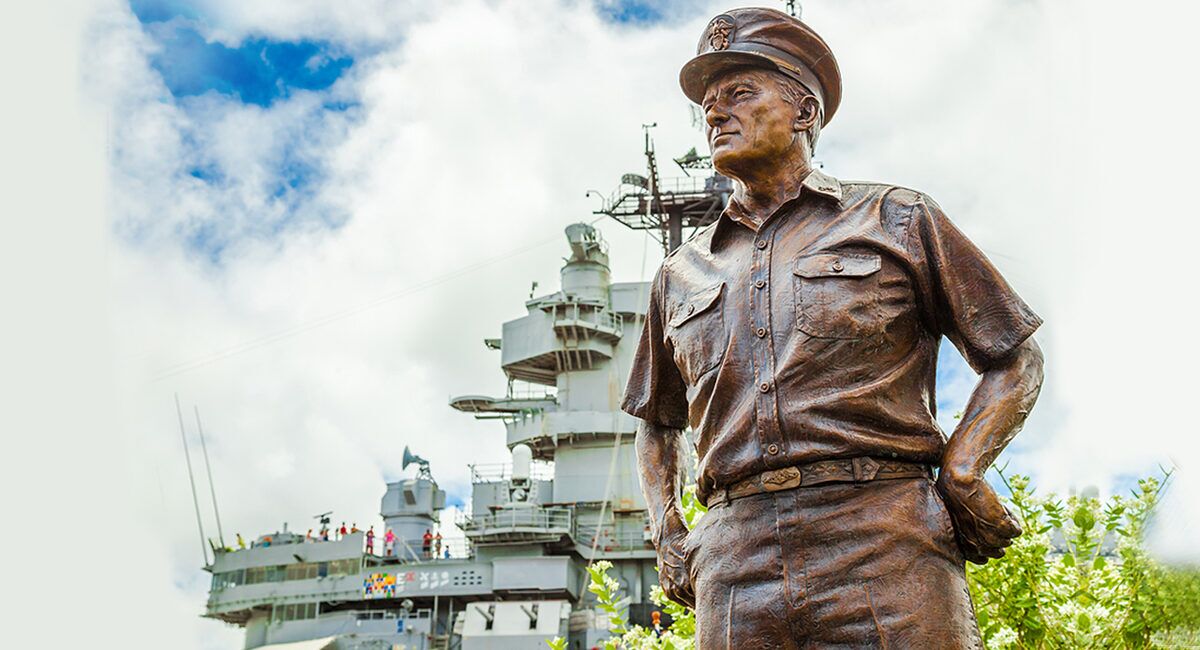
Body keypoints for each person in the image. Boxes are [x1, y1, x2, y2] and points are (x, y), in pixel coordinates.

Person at [625, 8, 1044, 647]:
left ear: (804, 112)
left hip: (886, 540)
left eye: (740, 93)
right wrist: (668, 532)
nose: (715, 113)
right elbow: (656, 422)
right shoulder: (678, 273)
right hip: (734, 565)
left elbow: (1014, 356)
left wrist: (962, 469)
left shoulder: (897, 219)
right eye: (708, 104)